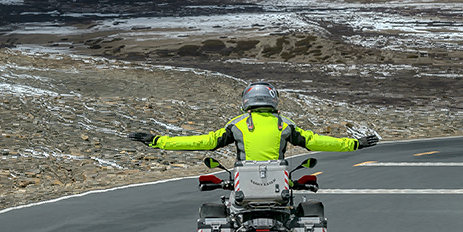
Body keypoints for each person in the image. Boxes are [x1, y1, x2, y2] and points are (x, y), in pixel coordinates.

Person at [127, 81, 378, 161]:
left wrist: (159, 141)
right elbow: (315, 141)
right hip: (279, 186)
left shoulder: (236, 124)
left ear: (246, 103)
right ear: (273, 101)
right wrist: (352, 144)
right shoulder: (285, 125)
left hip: (243, 188)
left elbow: (205, 141)